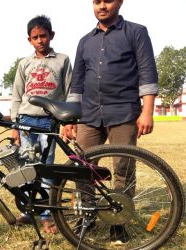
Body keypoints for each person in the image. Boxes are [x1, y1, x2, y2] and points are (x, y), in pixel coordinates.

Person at [62, 0, 158, 244]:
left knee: (124, 169)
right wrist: (70, 118)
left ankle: (119, 221)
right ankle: (88, 214)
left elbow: (147, 71)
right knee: (82, 167)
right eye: (96, 1)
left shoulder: (136, 32)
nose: (101, 6)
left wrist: (147, 111)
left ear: (120, 2)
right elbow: (77, 83)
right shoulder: (85, 41)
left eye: (107, 0)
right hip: (89, 114)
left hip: (124, 111)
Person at [11, 15, 72, 234]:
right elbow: (17, 96)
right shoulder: (24, 64)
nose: (40, 40)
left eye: (43, 36)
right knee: (28, 168)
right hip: (26, 120)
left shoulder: (62, 60)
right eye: (35, 37)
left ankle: (46, 215)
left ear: (51, 35)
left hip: (49, 121)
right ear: (29, 40)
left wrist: (68, 122)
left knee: (46, 167)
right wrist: (15, 126)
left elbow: (69, 92)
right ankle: (28, 211)